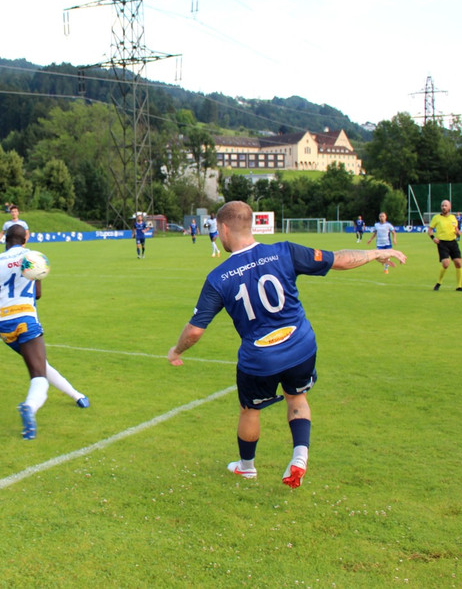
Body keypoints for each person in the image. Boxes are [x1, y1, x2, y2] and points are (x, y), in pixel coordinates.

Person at [167, 201, 406, 488]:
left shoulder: (218, 277)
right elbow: (339, 259)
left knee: (250, 410)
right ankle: (299, 456)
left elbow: (195, 331)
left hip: (259, 359)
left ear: (224, 228)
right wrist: (377, 253)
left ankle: (247, 467)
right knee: (297, 398)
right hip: (301, 346)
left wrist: (176, 350)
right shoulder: (285, 251)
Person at [0, 225, 89, 440]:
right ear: (24, 239)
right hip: (26, 320)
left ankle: (77, 395)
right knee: (39, 376)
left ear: (6, 240)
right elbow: (38, 294)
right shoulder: (33, 257)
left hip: (5, 326)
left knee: (42, 365)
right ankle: (30, 407)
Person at [428, 199, 462, 291]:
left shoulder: (453, 218)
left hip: (453, 242)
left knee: (458, 263)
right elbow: (430, 230)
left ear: (449, 207)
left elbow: (456, 229)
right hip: (442, 243)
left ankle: (459, 286)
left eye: (445, 206)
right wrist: (433, 238)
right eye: (442, 206)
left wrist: (458, 233)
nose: (443, 207)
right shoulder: (436, 218)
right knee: (446, 264)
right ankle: (439, 282)